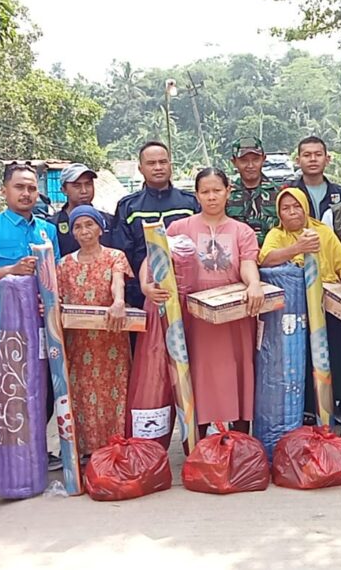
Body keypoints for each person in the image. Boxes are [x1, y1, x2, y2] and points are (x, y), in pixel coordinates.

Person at [143, 168, 263, 436]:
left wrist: (253, 284)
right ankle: (198, 442)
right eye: (205, 192)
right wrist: (146, 285)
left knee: (237, 374)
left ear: (228, 192)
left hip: (234, 316)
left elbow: (247, 263)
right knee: (198, 376)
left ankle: (240, 440)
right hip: (194, 317)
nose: (211, 197)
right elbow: (152, 259)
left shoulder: (241, 231)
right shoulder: (179, 228)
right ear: (196, 195)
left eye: (217, 191)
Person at [0, 163, 61, 469]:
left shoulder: (48, 230)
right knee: (11, 397)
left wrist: (53, 300)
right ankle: (16, 461)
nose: (26, 193)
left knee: (45, 394)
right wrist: (10, 270)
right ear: (5, 190)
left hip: (45, 330)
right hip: (4, 334)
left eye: (32, 188)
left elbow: (56, 276)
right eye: (19, 187)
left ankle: (39, 451)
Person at [261, 187, 341, 439]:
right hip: (295, 316)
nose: (292, 212)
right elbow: (265, 258)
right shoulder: (277, 235)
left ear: (306, 208)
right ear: (279, 213)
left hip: (330, 310)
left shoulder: (323, 233)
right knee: (302, 368)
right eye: (286, 208)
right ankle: (308, 421)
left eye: (297, 206)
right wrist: (297, 247)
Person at [57, 205, 132, 455]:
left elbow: (117, 283)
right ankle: (87, 453)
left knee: (115, 395)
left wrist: (119, 302)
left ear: (100, 228)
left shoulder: (115, 256)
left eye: (89, 224)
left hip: (111, 341)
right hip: (78, 344)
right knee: (82, 395)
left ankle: (116, 450)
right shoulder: (64, 265)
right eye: (78, 227)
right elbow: (54, 299)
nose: (84, 231)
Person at [114, 141, 200, 308]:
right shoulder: (129, 207)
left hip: (187, 294)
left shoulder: (190, 203)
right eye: (151, 163)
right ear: (140, 169)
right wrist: (132, 294)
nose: (158, 167)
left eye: (163, 162)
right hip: (143, 294)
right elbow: (122, 254)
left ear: (171, 165)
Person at [226, 137, 280, 245]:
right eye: (244, 160)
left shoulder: (279, 193)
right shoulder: (226, 195)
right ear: (234, 162)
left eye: (255, 160)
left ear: (263, 159)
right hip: (236, 256)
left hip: (272, 255)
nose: (250, 166)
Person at [54, 163, 114, 256]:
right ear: (64, 190)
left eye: (88, 184)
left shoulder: (110, 221)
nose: (84, 191)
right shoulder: (52, 225)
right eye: (77, 186)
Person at [285, 136, 341, 221]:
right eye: (307, 155)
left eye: (318, 155)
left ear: (327, 160)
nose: (313, 159)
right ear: (298, 161)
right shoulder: (287, 192)